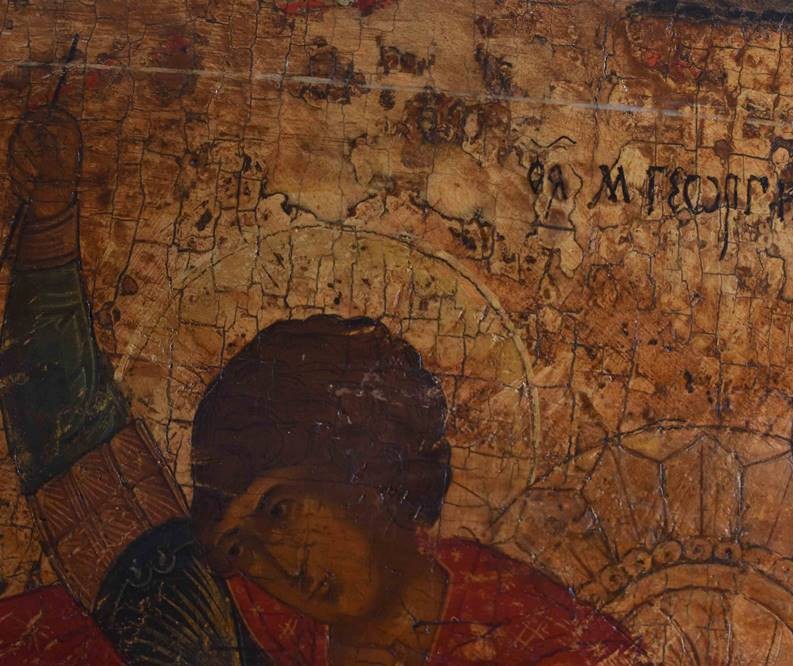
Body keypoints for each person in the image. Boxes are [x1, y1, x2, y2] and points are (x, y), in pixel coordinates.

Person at [0, 105, 643, 664]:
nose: (280, 566)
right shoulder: (239, 630)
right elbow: (76, 449)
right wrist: (50, 215)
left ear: (362, 470)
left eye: (279, 510)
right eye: (240, 549)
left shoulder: (547, 643)